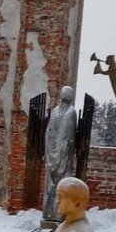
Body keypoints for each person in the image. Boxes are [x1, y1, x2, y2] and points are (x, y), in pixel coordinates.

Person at [42, 85, 78, 222]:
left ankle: (60, 214)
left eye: (67, 94)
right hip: (52, 153)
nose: (65, 96)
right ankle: (49, 213)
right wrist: (50, 151)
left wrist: (64, 152)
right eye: (64, 93)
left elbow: (70, 136)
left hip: (64, 155)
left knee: (63, 185)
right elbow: (49, 131)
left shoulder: (71, 113)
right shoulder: (55, 111)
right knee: (50, 184)